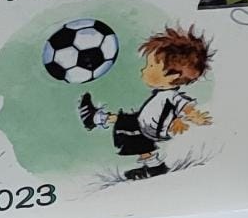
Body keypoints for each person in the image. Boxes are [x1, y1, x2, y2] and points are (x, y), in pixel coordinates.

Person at [78, 25, 214, 180]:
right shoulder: (161, 94)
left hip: (153, 129)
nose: (143, 70)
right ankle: (96, 118)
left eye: (150, 66)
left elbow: (185, 106)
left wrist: (193, 116)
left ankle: (95, 118)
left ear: (172, 76)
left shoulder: (171, 95)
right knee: (127, 120)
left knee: (128, 128)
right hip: (147, 123)